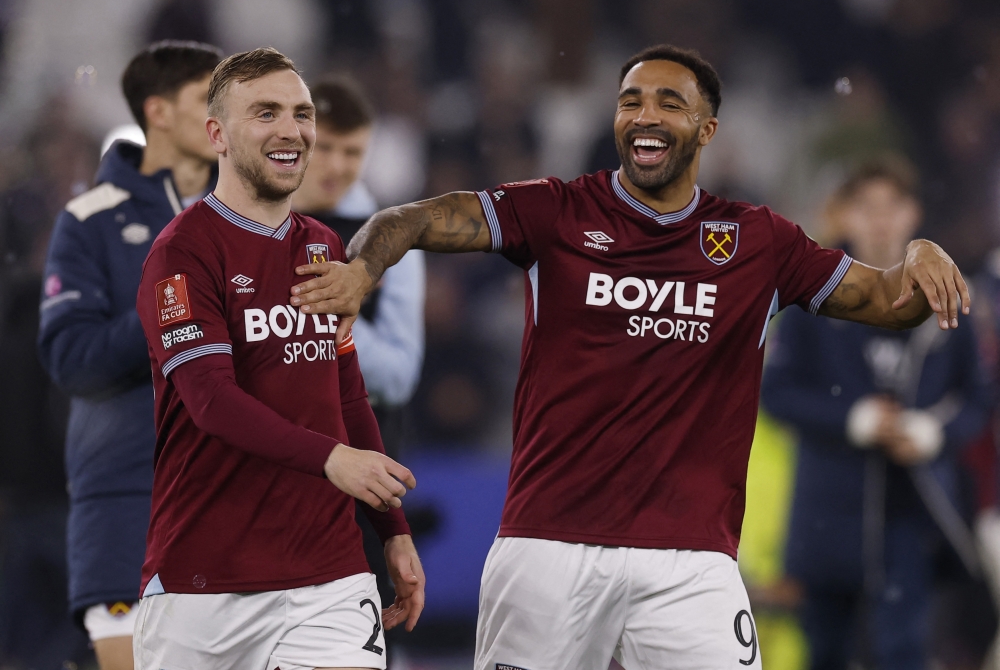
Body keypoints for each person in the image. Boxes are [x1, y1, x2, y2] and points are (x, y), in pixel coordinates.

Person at [289, 44, 973, 670]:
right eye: (631, 101)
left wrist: (918, 253)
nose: (644, 116)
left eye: (669, 103)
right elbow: (409, 218)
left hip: (690, 562)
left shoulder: (758, 241)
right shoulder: (555, 211)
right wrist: (362, 269)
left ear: (707, 130)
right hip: (548, 547)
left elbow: (889, 299)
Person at [133, 47, 424, 669]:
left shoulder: (323, 247)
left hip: (331, 578)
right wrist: (331, 460)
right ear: (217, 133)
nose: (292, 130)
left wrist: (393, 530)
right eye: (265, 113)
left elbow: (347, 393)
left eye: (301, 113)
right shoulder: (181, 253)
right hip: (203, 581)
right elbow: (211, 403)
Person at [761, 158, 990, 670]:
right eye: (867, 208)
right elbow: (775, 392)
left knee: (902, 654)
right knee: (825, 653)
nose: (881, 220)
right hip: (828, 514)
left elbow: (979, 396)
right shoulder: (811, 295)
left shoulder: (950, 292)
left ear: (914, 213)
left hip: (914, 512)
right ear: (846, 215)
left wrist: (933, 432)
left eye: (892, 207)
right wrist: (851, 419)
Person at [37, 40, 223, 670]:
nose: (224, 116)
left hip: (238, 496)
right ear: (159, 112)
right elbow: (71, 359)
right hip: (126, 498)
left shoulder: (259, 220)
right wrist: (165, 315)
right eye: (207, 100)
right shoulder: (89, 219)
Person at [291, 76, 426, 653]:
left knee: (353, 645)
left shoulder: (387, 237)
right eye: (326, 147)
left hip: (362, 486)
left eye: (353, 152)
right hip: (270, 471)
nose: (339, 165)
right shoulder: (243, 226)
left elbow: (399, 374)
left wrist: (325, 315)